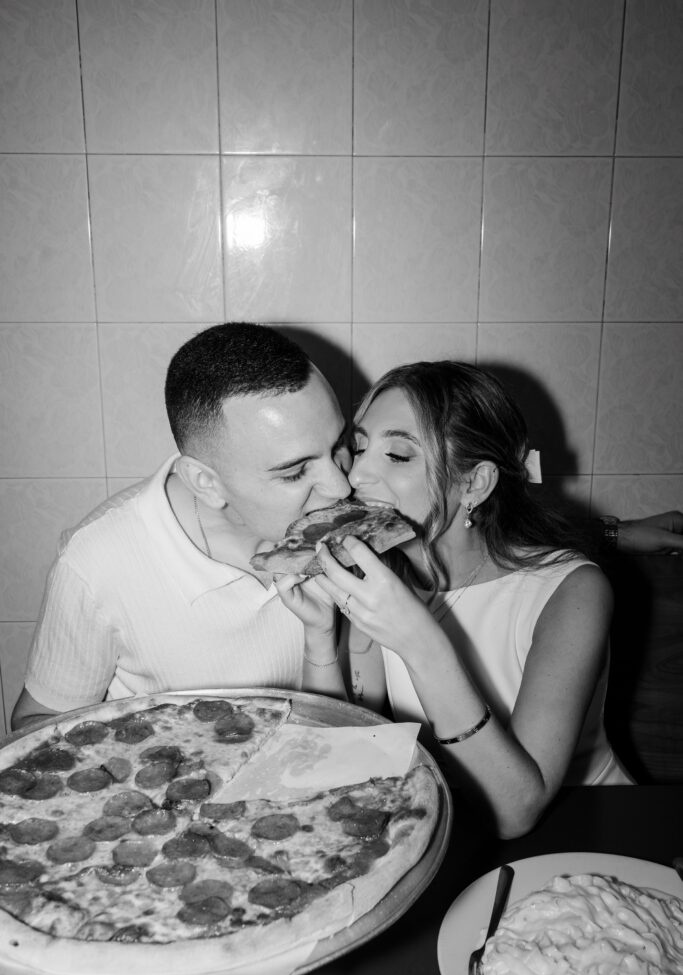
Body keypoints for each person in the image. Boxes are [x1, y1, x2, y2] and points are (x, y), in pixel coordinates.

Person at [301, 361, 637, 839]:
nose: (356, 476)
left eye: (397, 455)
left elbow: (513, 812)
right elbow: (355, 761)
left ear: (475, 483)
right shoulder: (383, 575)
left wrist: (421, 643)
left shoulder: (572, 591)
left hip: (594, 827)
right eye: (357, 448)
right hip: (448, 826)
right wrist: (318, 639)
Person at [12, 323, 349, 732]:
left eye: (338, 446)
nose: (341, 486)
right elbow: (34, 723)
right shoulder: (97, 561)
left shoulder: (347, 527)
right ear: (206, 483)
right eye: (296, 472)